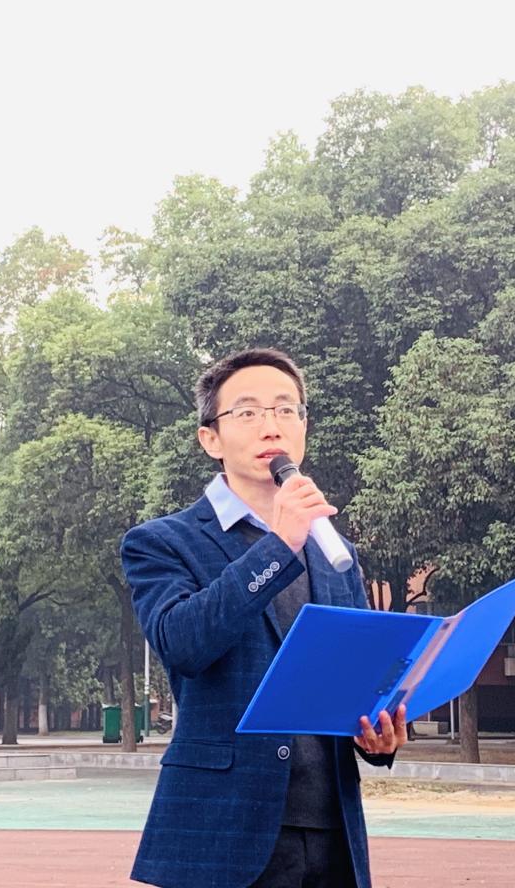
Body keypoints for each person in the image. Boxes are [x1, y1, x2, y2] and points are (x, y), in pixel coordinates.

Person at [122, 348, 407, 888]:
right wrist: (279, 544)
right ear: (211, 439)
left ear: (303, 427)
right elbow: (183, 643)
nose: (270, 425)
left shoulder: (335, 552)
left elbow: (352, 679)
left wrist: (377, 735)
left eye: (285, 409)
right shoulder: (162, 542)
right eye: (248, 412)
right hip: (221, 832)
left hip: (331, 831)